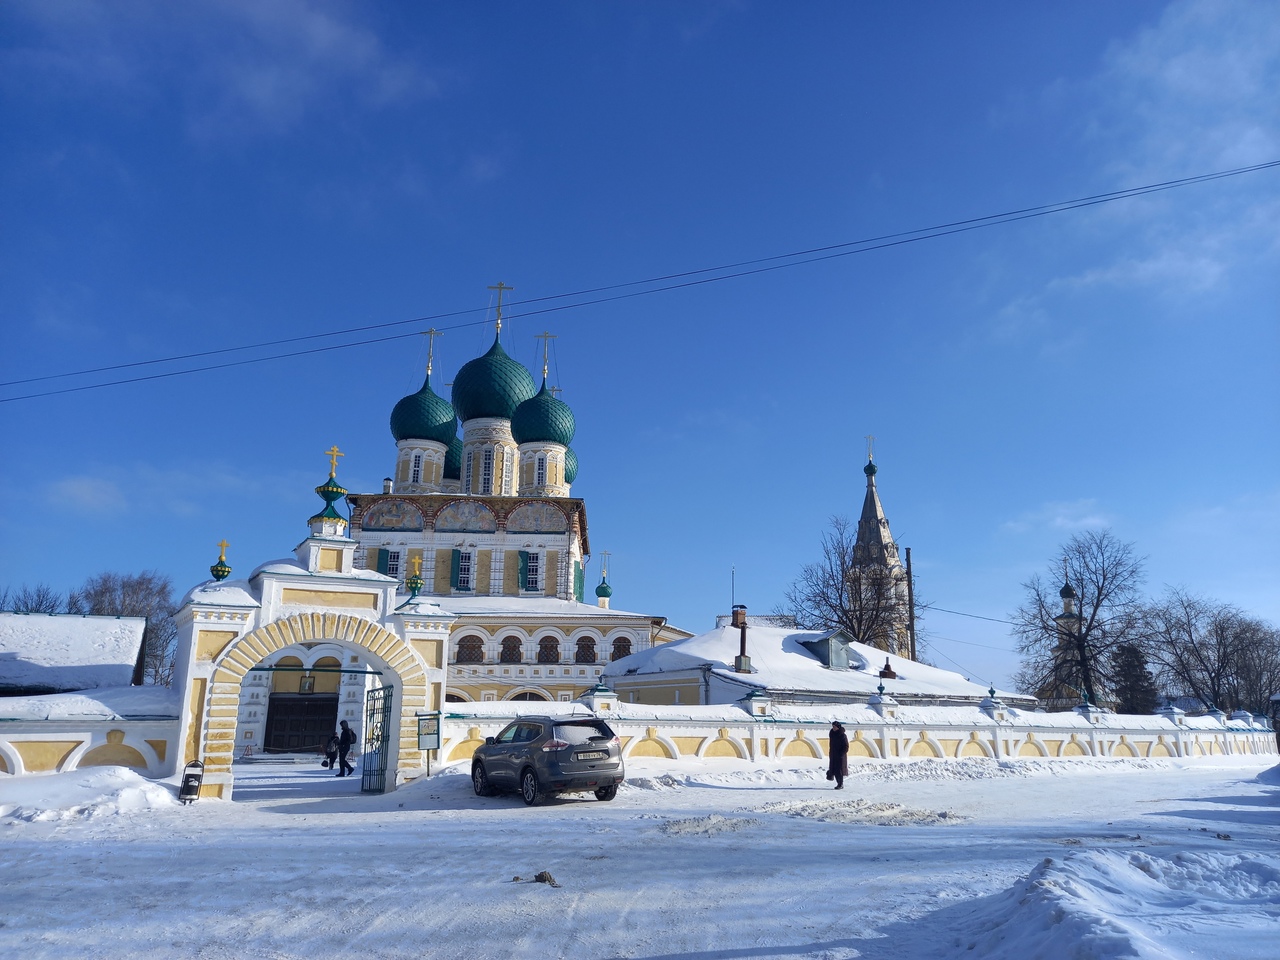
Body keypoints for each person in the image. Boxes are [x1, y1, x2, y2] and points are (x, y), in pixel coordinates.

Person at [826, 721, 849, 790]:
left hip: (840, 756)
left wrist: (841, 753)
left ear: (838, 727)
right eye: (832, 726)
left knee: (839, 771)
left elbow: (846, 746)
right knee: (834, 770)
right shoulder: (832, 734)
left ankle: (840, 784)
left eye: (834, 726)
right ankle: (838, 783)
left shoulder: (842, 735)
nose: (833, 728)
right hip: (833, 755)